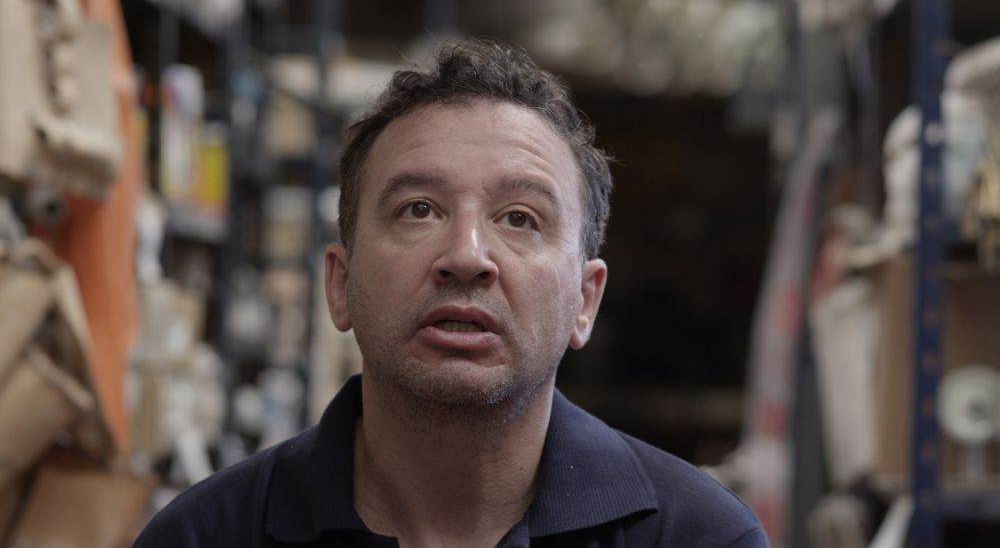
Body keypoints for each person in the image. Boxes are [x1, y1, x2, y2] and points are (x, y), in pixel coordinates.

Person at [134, 39, 768, 548]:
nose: (466, 256)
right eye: (418, 209)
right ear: (340, 284)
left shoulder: (702, 536)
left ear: (585, 300)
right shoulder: (203, 535)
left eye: (519, 218)